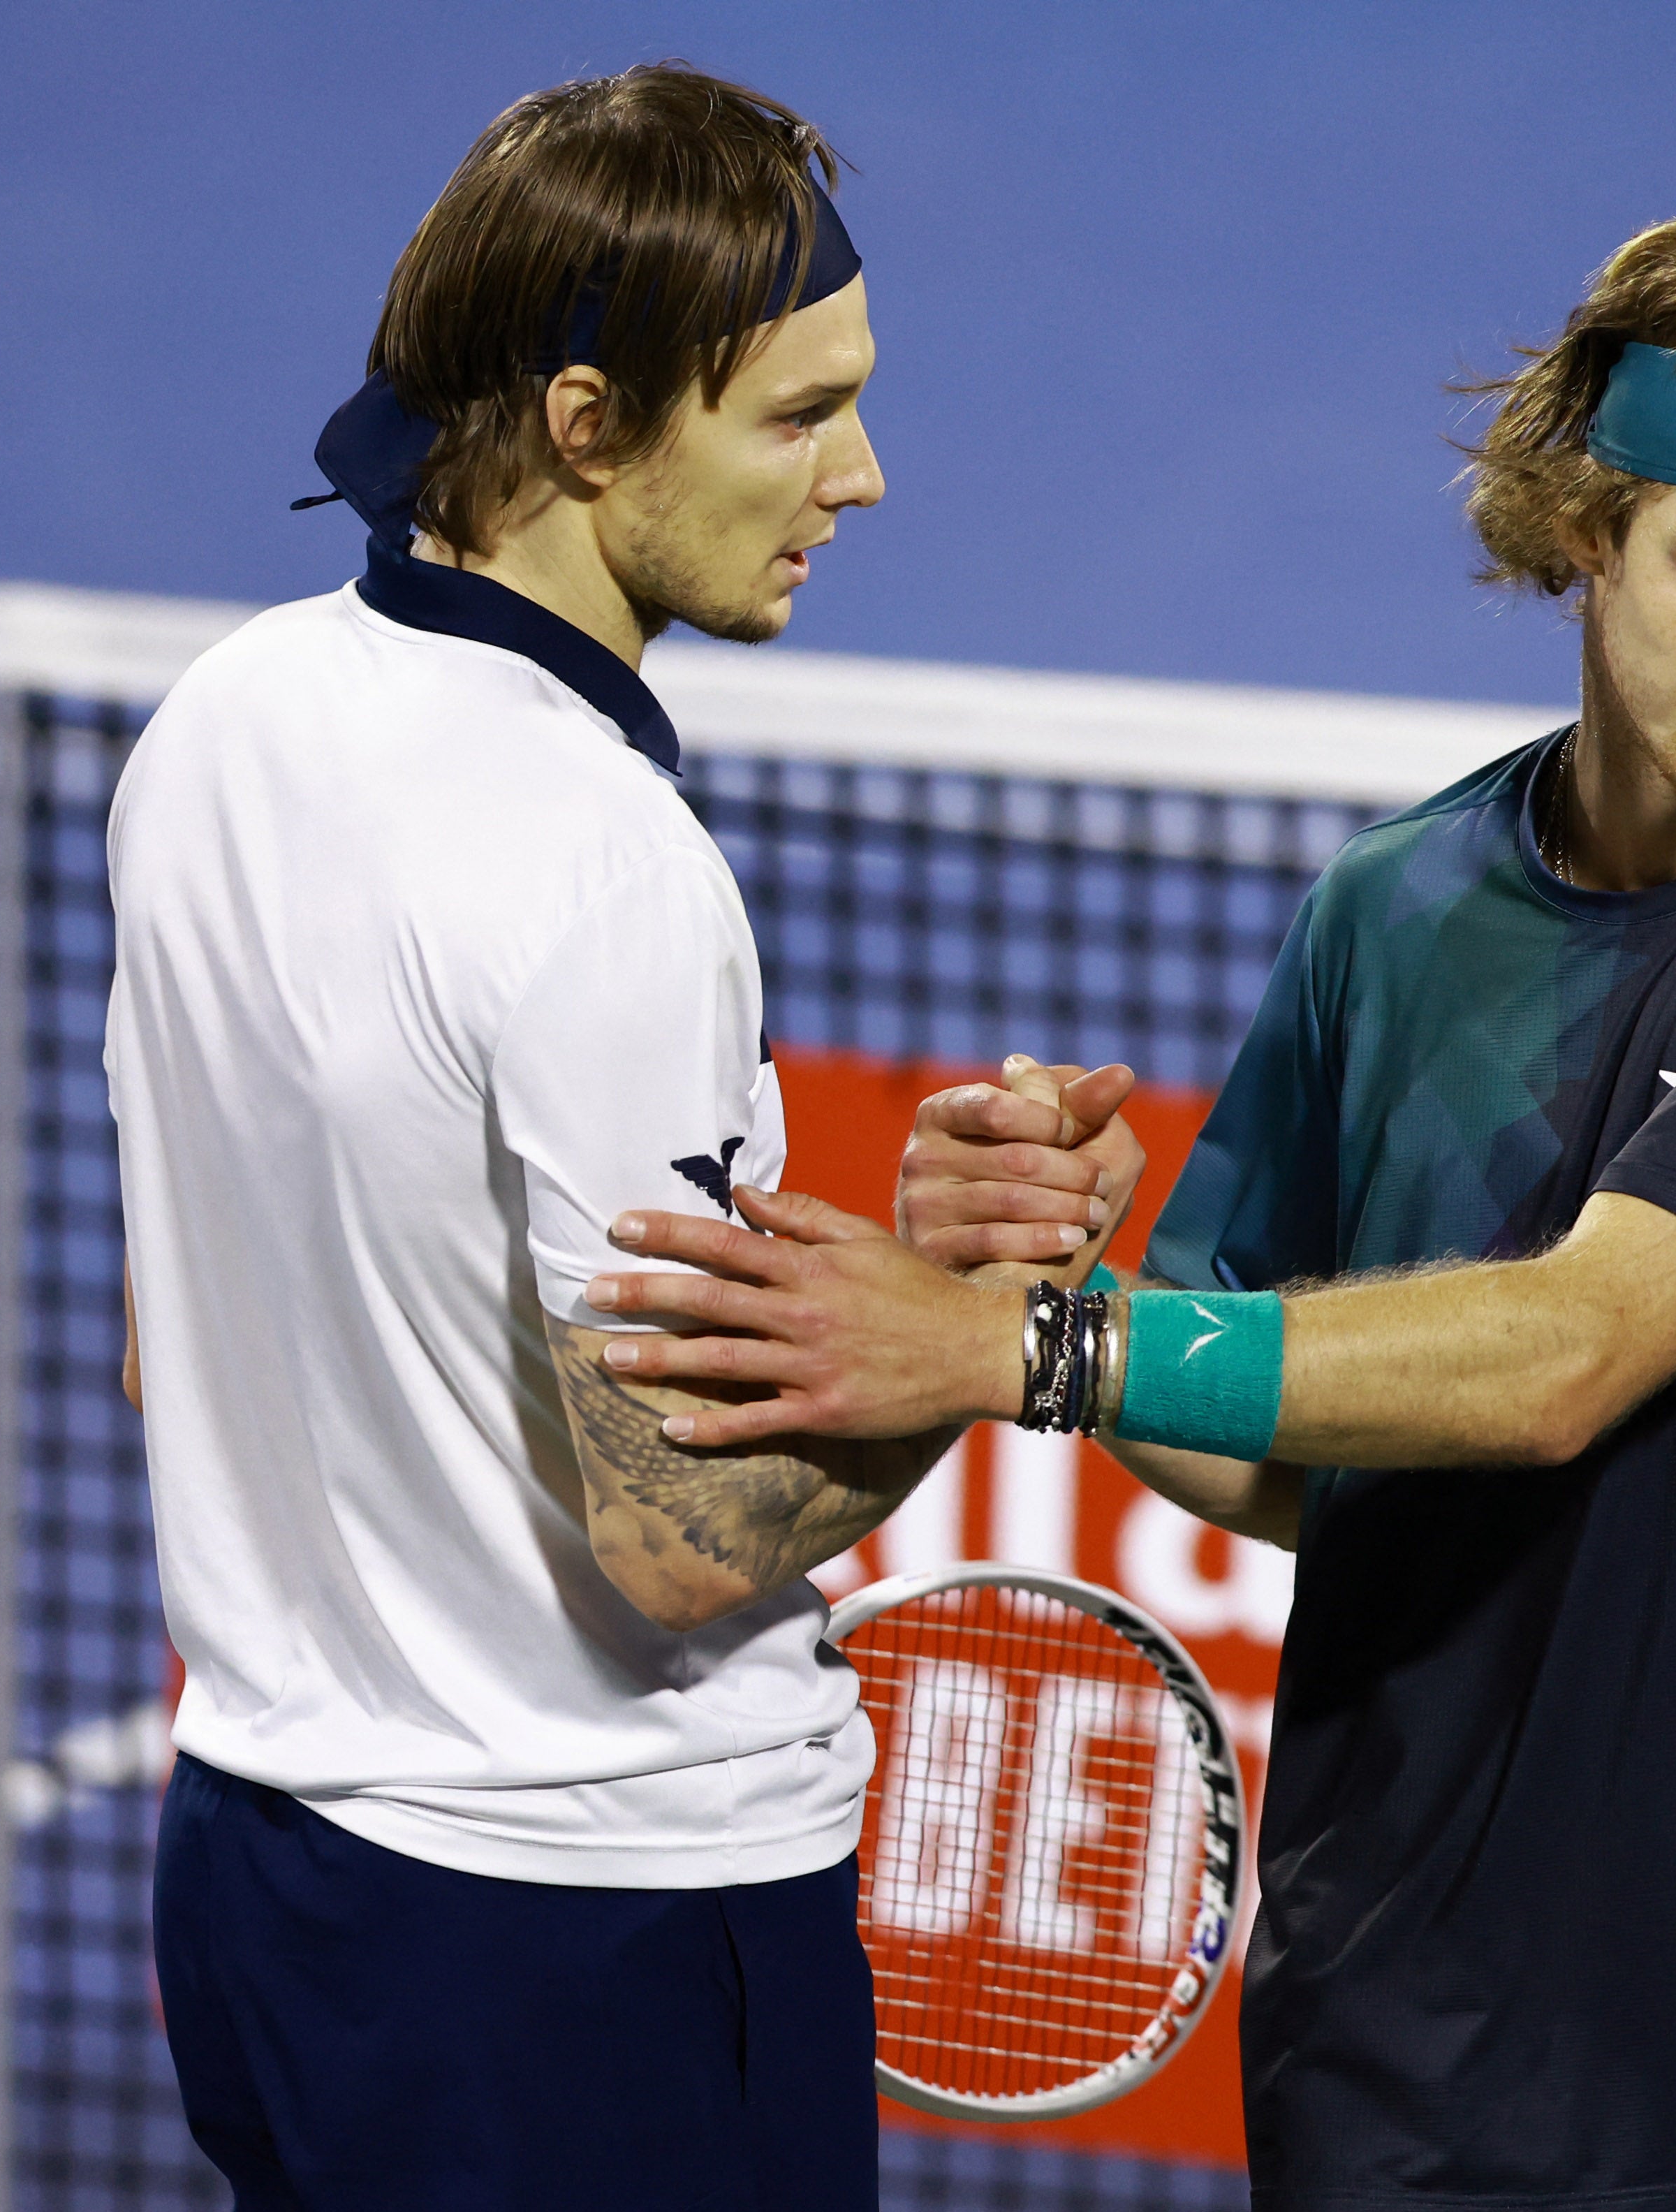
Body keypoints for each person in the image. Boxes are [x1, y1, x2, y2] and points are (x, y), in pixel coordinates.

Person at [587, 204, 1676, 2212]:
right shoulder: (1393, 920)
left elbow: (1572, 1353)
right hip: (1409, 2068)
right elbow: (1281, 1459)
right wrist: (1054, 1262)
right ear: (1587, 525)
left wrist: (1027, 1347)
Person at [106, 64, 1128, 2207]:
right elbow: (676, 1547)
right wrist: (976, 1317)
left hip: (267, 1889)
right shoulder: (607, 869)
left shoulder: (229, 719)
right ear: (588, 424)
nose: (859, 474)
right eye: (790, 414)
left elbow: (205, 1329)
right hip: (597, 1943)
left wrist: (864, 1254)